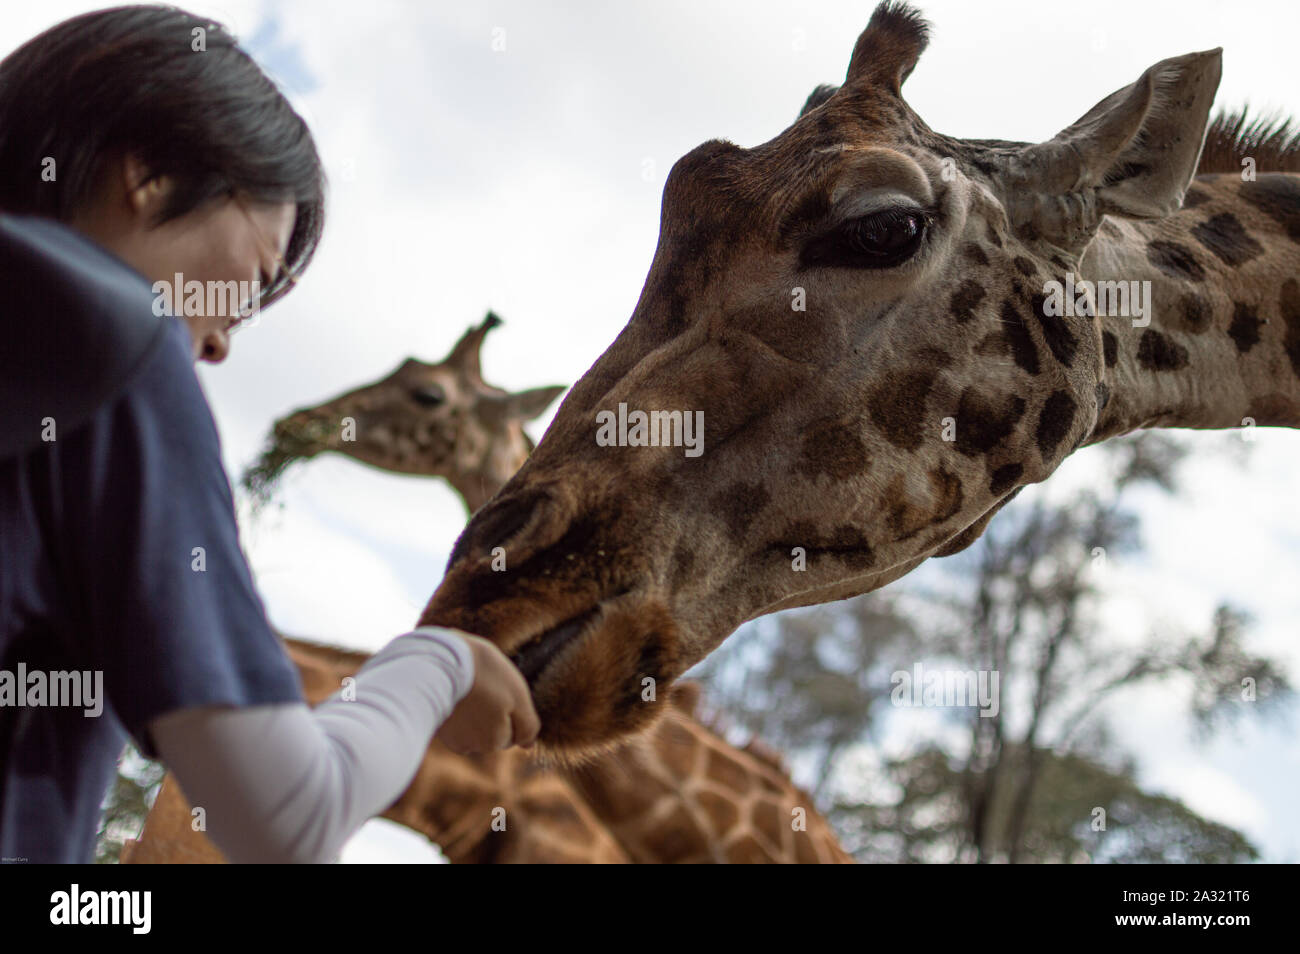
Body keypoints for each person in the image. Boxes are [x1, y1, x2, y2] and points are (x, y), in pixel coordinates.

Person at [0, 5, 538, 864]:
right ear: (148, 172)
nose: (216, 344)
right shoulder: (119, 344)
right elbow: (287, 819)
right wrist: (437, 664)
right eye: (249, 286)